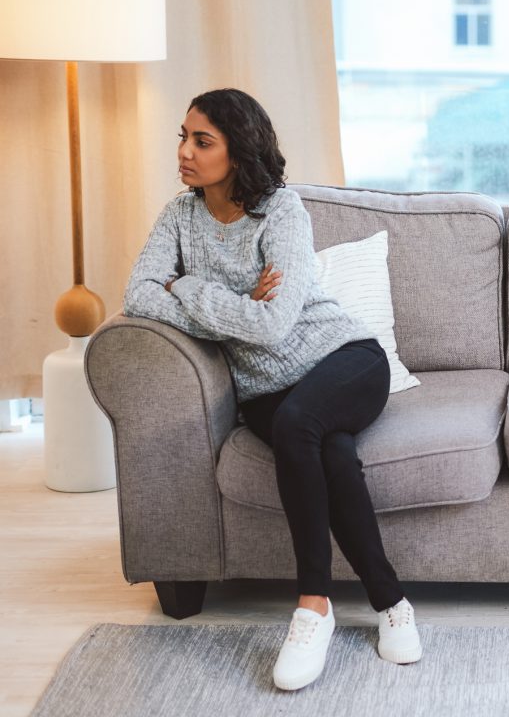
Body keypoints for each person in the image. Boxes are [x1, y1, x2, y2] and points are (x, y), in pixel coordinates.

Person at [123, 88, 421, 691]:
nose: (184, 151)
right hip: (266, 388)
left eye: (202, 140)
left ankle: (312, 604)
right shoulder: (178, 217)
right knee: (328, 449)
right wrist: (218, 298)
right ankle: (391, 603)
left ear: (239, 150)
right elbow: (138, 294)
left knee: (300, 426)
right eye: (182, 136)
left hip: (342, 358)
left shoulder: (282, 212)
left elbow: (274, 323)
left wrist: (186, 288)